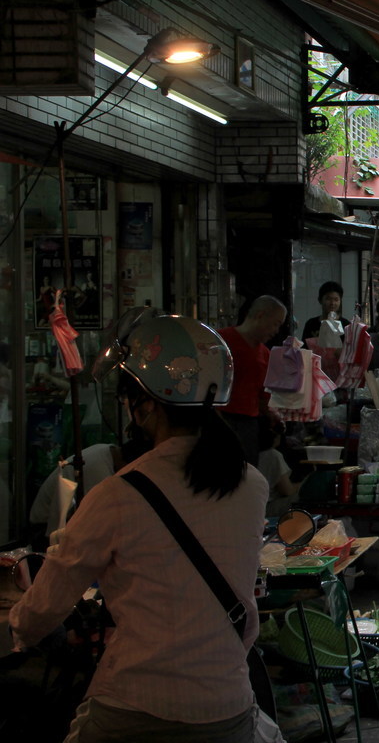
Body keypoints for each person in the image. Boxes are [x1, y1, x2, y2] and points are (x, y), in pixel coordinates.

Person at [10, 315, 268, 740]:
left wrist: (22, 629)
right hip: (229, 707)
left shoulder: (118, 494)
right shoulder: (251, 484)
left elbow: (43, 607)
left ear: (144, 404)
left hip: (138, 706)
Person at [219, 295, 287, 464]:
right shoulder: (220, 341)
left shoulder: (265, 354)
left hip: (249, 425)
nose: (276, 331)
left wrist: (274, 416)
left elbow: (263, 397)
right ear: (260, 315)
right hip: (219, 420)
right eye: (276, 323)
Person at [255, 416, 300, 518]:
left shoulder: (253, 454)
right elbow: (287, 490)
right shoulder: (272, 455)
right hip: (266, 508)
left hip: (256, 507)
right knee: (302, 496)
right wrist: (305, 483)